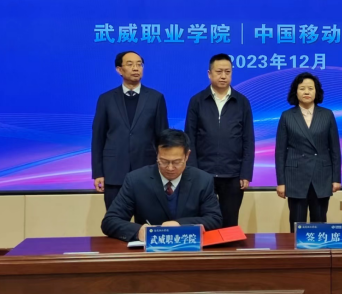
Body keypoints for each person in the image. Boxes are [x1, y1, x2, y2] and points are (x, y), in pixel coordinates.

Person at [101, 129, 223, 242]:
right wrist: (138, 231)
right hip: (150, 251)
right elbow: (110, 221)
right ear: (157, 154)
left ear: (187, 156)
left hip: (189, 249)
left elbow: (214, 219)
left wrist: (180, 225)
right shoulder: (136, 180)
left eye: (176, 162)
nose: (170, 168)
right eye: (164, 161)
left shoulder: (202, 180)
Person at [184, 53, 255, 228]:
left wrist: (246, 173)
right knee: (204, 222)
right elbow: (189, 138)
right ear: (209, 74)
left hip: (233, 174)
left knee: (230, 223)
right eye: (219, 71)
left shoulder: (242, 102)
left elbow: (248, 140)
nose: (223, 76)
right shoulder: (197, 101)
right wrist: (192, 171)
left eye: (227, 72)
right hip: (203, 173)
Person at [91, 51, 169, 209]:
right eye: (130, 64)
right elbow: (98, 138)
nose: (136, 68)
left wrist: (165, 171)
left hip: (147, 172)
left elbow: (162, 137)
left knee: (146, 220)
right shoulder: (106, 99)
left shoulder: (156, 98)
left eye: (139, 64)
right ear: (119, 70)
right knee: (115, 219)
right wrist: (98, 173)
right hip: (114, 172)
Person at [275, 72, 342, 233]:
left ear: (316, 92)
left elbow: (335, 149)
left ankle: (319, 250)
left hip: (321, 176)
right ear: (295, 92)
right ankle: (297, 251)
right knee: (297, 225)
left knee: (319, 223)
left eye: (310, 88)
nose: (306, 92)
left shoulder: (327, 115)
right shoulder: (287, 116)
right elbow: (280, 152)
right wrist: (281, 182)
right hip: (295, 177)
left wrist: (336, 178)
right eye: (302, 88)